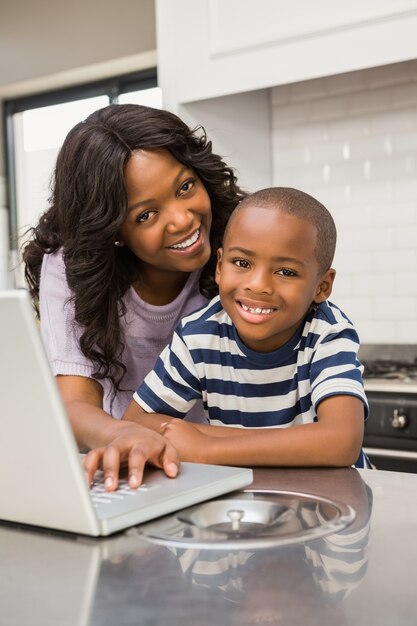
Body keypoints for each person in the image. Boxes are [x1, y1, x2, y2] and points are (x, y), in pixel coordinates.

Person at [22, 103, 244, 489]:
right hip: (137, 472)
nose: (183, 220)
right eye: (146, 215)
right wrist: (120, 435)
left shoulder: (240, 243)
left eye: (185, 187)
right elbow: (74, 403)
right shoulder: (71, 268)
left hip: (228, 468)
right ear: (113, 229)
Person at [122, 186, 371, 468]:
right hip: (247, 500)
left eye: (286, 272)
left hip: (331, 502)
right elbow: (135, 423)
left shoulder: (327, 333)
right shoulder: (198, 335)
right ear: (219, 267)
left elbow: (341, 442)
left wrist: (208, 448)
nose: (258, 285)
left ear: (322, 287)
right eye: (242, 262)